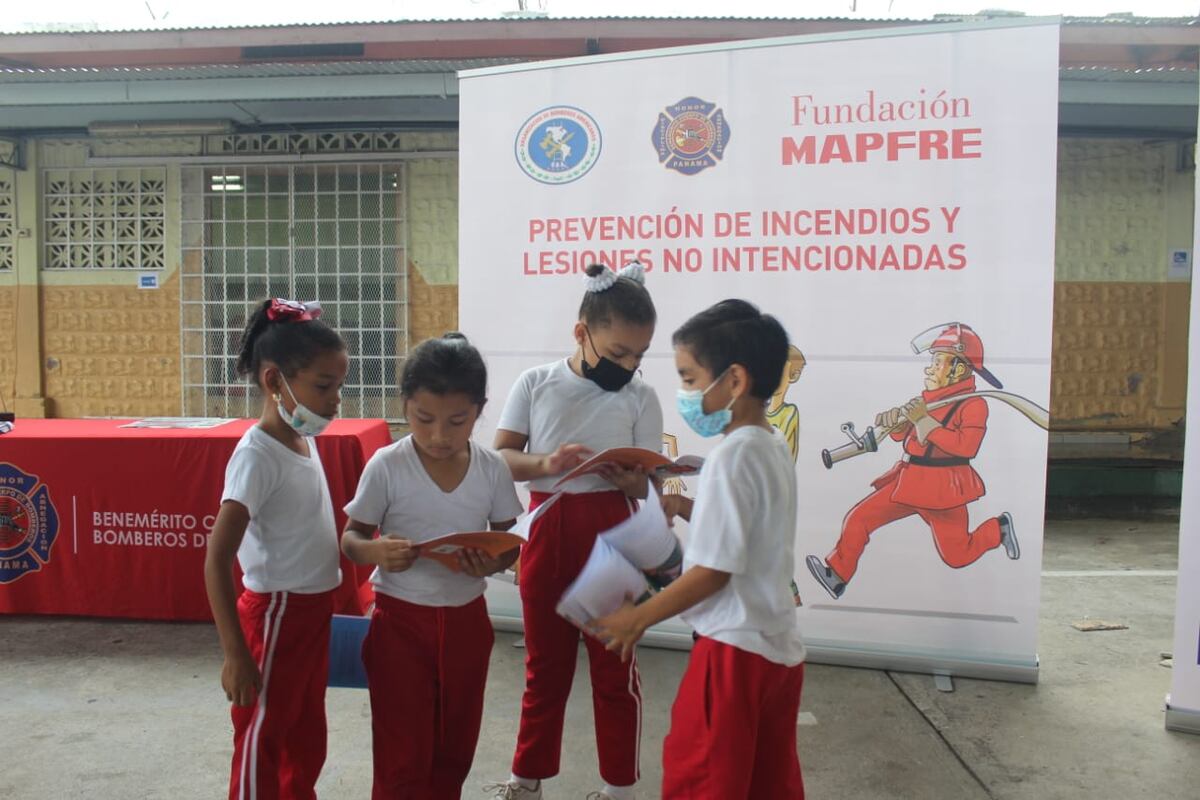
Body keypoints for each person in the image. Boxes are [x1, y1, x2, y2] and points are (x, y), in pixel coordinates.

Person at [596, 298, 807, 800]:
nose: (685, 394)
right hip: (777, 648)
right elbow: (756, 530)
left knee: (704, 780)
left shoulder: (731, 457)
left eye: (690, 379)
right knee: (764, 782)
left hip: (731, 653)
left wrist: (637, 618)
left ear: (734, 381)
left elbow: (713, 572)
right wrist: (689, 508)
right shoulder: (767, 444)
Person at [486, 262, 662, 800]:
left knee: (614, 672)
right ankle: (526, 780)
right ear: (581, 332)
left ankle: (620, 790)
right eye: (616, 354)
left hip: (613, 539)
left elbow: (649, 485)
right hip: (548, 529)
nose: (628, 367)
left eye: (637, 356)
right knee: (544, 668)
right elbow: (501, 459)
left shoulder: (640, 396)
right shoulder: (536, 383)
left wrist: (636, 483)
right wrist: (546, 464)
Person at [341, 333, 523, 799]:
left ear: (479, 412)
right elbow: (351, 538)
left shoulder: (490, 468)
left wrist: (490, 562)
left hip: (466, 623)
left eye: (457, 421)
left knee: (455, 747)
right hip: (399, 623)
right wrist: (378, 551)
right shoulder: (388, 465)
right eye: (424, 419)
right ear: (405, 406)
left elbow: (511, 543)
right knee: (403, 751)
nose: (439, 435)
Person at [203, 298, 349, 800]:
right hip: (276, 614)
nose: (334, 401)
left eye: (338, 387)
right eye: (323, 387)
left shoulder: (302, 442)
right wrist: (236, 655)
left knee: (305, 736)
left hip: (311, 613)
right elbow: (217, 558)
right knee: (262, 738)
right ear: (274, 382)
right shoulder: (257, 455)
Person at [806, 322, 1019, 600]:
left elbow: (966, 447)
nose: (930, 368)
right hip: (910, 481)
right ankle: (836, 576)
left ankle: (998, 528)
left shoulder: (973, 404)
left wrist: (922, 419)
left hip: (944, 489)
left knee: (957, 555)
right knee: (859, 519)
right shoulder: (927, 400)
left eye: (939, 361)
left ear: (960, 368)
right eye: (933, 360)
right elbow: (905, 437)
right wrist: (894, 423)